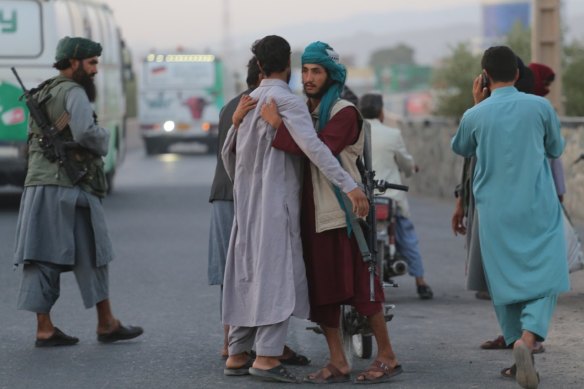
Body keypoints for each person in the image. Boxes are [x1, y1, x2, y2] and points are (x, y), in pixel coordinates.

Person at [220, 35, 369, 383]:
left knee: (247, 274)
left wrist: (245, 185)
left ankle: (238, 352)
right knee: (276, 278)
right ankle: (268, 357)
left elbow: (229, 157)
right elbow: (316, 149)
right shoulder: (287, 101)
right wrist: (348, 185)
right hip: (276, 204)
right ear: (288, 66)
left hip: (248, 204)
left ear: (258, 66)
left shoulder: (248, 101)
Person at [260, 41, 402, 384]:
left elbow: (318, 150)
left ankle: (388, 355)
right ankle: (338, 361)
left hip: (342, 212)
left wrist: (280, 127)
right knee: (323, 291)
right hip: (310, 213)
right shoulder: (303, 111)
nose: (309, 78)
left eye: (317, 71)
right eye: (305, 70)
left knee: (359, 285)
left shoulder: (344, 112)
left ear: (332, 74)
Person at [451, 46, 569, 389]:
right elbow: (555, 149)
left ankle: (516, 341)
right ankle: (527, 341)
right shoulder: (540, 106)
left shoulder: (476, 114)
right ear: (518, 74)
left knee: (504, 282)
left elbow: (461, 148)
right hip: (537, 205)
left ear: (484, 77)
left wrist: (476, 105)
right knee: (548, 273)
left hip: (494, 211)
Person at [13, 36, 143, 347]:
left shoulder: (45, 90)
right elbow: (86, 133)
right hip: (73, 186)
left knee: (40, 254)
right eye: (92, 62)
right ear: (74, 63)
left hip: (39, 185)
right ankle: (106, 322)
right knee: (94, 252)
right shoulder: (74, 93)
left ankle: (45, 328)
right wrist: (104, 136)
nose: (96, 69)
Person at [207, 56, 309, 366]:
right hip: (253, 199)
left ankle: (235, 348)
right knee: (264, 270)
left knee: (240, 269)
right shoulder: (272, 104)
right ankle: (263, 351)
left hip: (229, 196)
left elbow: (229, 152)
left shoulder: (233, 107)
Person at [360, 93, 434, 300]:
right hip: (390, 197)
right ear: (381, 111)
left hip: (363, 197)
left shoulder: (355, 132)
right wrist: (411, 169)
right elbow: (405, 162)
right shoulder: (391, 134)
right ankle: (421, 282)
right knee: (408, 237)